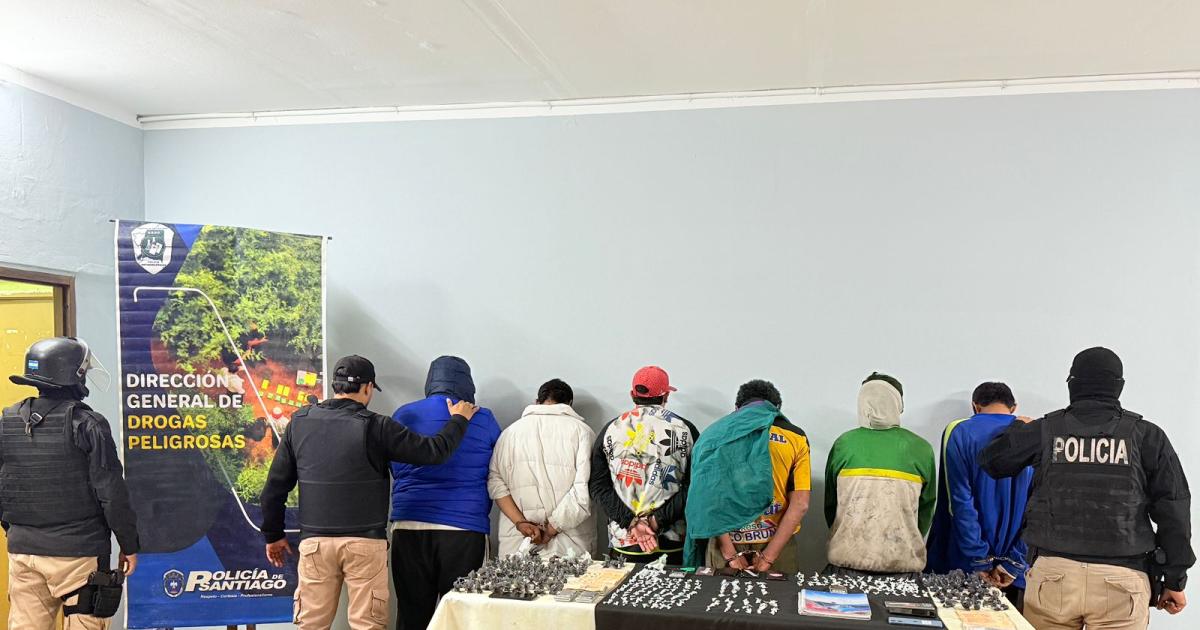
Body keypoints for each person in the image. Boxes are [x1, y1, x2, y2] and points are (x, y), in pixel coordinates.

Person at [259, 354, 478, 630]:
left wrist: (273, 535)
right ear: (367, 388)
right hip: (365, 544)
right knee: (367, 626)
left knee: (310, 625)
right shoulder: (377, 426)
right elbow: (434, 452)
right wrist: (459, 419)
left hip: (315, 544)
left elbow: (274, 489)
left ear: (335, 386)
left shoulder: (299, 423)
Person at [982, 347, 1194, 629]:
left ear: (1072, 384)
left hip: (1053, 578)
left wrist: (1016, 428)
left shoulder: (1046, 429)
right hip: (1123, 580)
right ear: (1118, 387)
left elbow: (992, 461)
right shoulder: (1147, 436)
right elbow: (1174, 511)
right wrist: (1175, 579)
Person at [1, 337, 139, 630]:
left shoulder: (7, 420)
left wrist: (15, 531)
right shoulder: (88, 423)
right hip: (78, 555)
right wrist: (128, 544)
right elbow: (112, 492)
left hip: (23, 551)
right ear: (74, 375)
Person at [389, 356, 501, 630]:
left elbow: (393, 464)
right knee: (462, 617)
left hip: (409, 526)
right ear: (467, 383)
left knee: (412, 613)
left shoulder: (404, 415)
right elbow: (498, 468)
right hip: (464, 529)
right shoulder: (483, 418)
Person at [925, 382, 1033, 608]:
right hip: (1013, 571)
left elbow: (959, 503)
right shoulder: (1033, 434)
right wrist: (1014, 563)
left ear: (975, 406)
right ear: (1013, 407)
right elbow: (1037, 509)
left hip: (964, 560)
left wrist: (979, 559)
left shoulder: (958, 431)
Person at [824, 372, 935, 576]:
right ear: (899, 405)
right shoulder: (921, 448)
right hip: (903, 565)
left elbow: (831, 505)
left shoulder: (844, 444)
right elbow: (926, 509)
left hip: (846, 562)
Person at [588, 365, 700, 565]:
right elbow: (695, 486)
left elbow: (598, 486)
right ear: (665, 395)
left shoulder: (611, 429)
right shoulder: (686, 429)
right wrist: (655, 521)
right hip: (672, 541)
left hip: (624, 540)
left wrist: (632, 523)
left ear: (633, 394)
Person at [701, 380, 811, 574]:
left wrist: (730, 554)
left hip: (725, 543)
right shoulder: (796, 437)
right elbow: (800, 504)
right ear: (776, 409)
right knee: (779, 603)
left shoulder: (716, 434)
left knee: (719, 602)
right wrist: (769, 557)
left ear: (737, 408)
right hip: (777, 545)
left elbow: (709, 498)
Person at [488, 378, 596, 557]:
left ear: (537, 402)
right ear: (570, 404)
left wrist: (521, 523)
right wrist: (550, 528)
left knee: (514, 585)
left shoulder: (509, 434)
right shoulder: (583, 432)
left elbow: (495, 483)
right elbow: (582, 493)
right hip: (570, 546)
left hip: (518, 544)